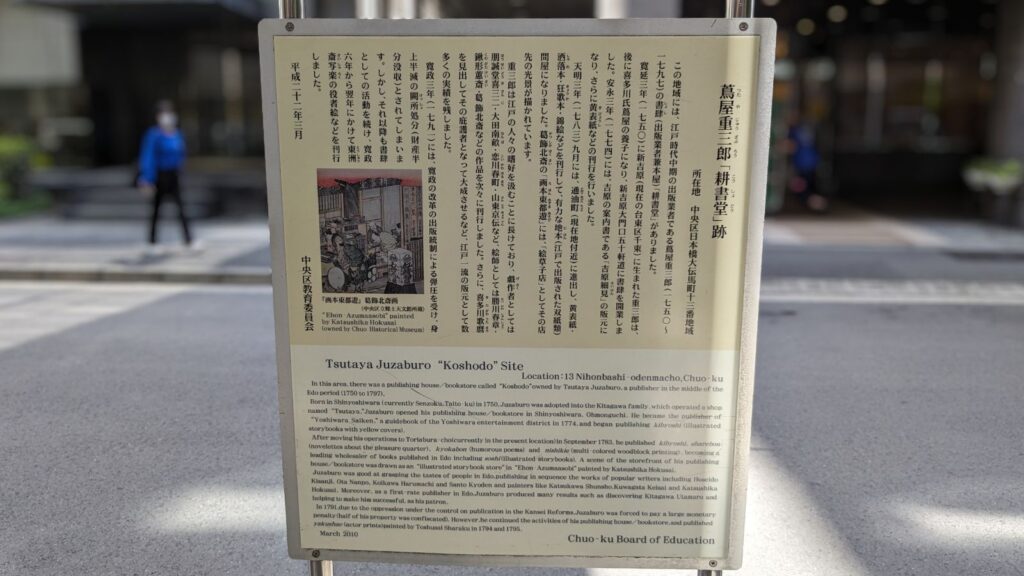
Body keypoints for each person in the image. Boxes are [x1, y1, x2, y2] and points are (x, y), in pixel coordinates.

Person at [137, 101, 194, 249]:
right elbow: (148, 157)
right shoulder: (154, 134)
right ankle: (152, 241)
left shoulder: (177, 134)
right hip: (160, 176)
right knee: (156, 209)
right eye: (164, 114)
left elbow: (181, 155)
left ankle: (188, 240)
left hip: (174, 175)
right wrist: (146, 178)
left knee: (181, 209)